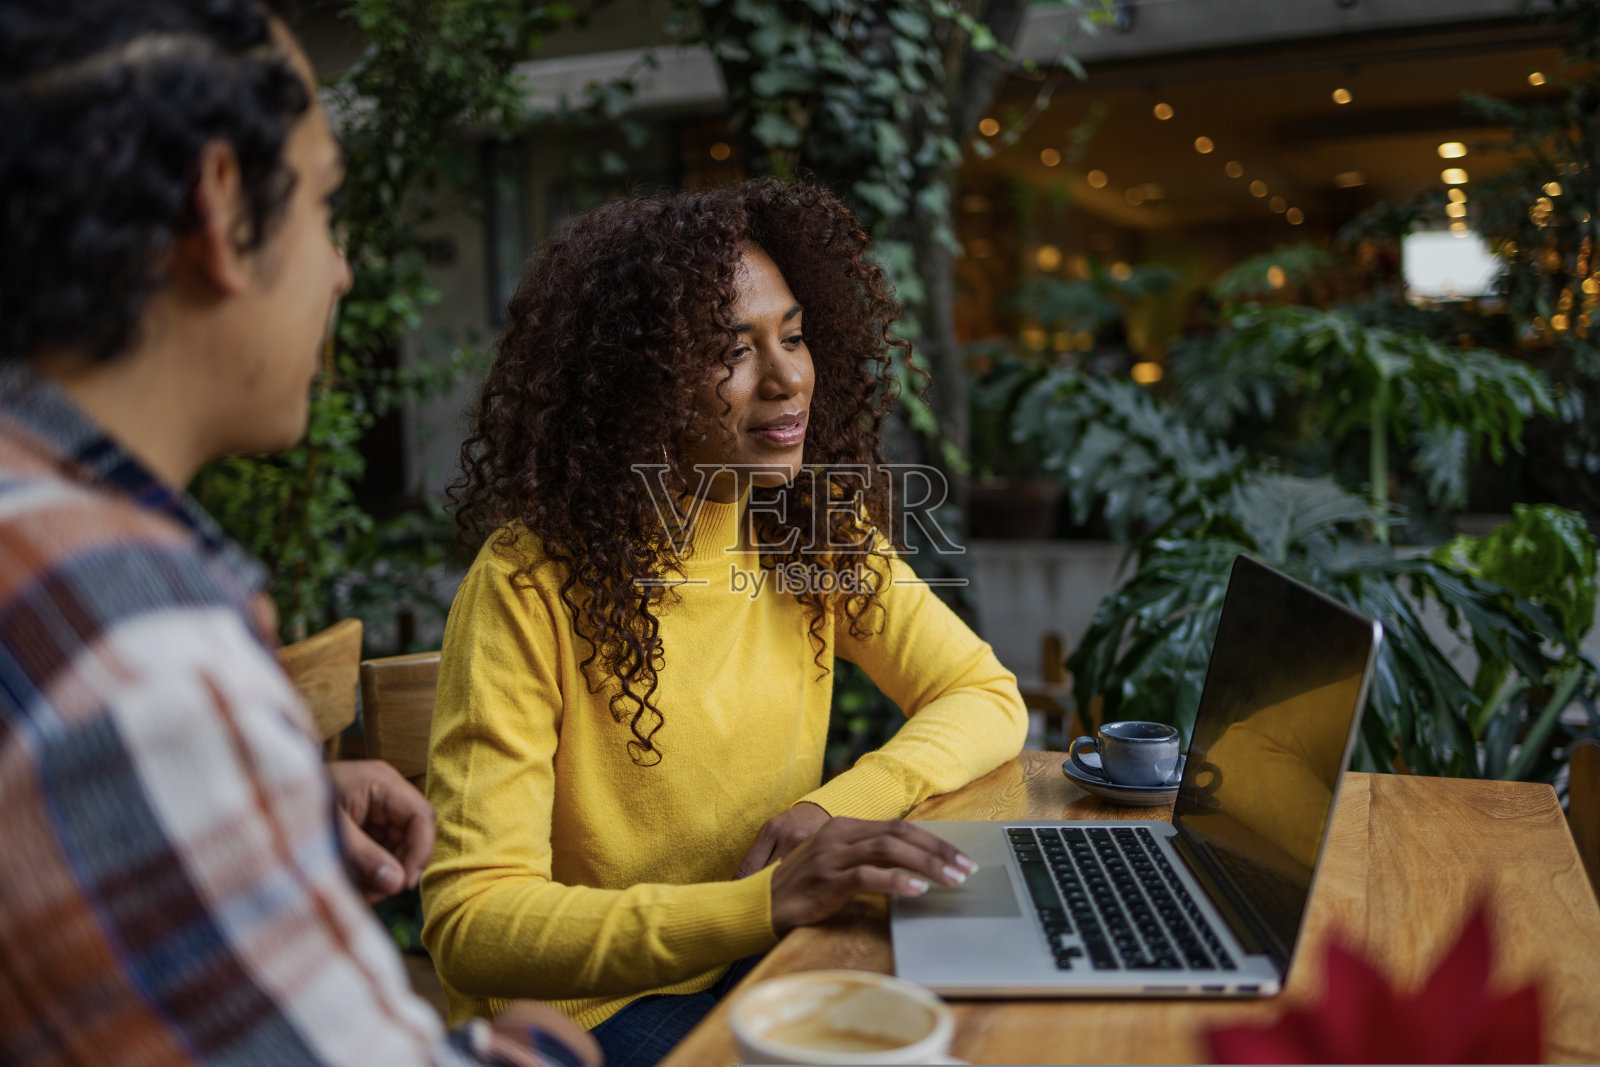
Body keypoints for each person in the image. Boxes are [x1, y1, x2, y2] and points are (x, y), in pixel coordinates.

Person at [0, 2, 598, 1064]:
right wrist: (539, 1044)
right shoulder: (128, 638)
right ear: (221, 212)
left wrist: (257, 797)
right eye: (327, 203)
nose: (343, 270)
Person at [424, 179, 1030, 1066]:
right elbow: (472, 920)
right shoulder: (527, 585)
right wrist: (763, 901)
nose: (787, 379)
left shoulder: (811, 530)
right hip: (597, 1014)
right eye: (730, 350)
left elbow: (984, 692)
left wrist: (837, 805)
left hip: (771, 958)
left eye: (792, 335)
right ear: (640, 381)